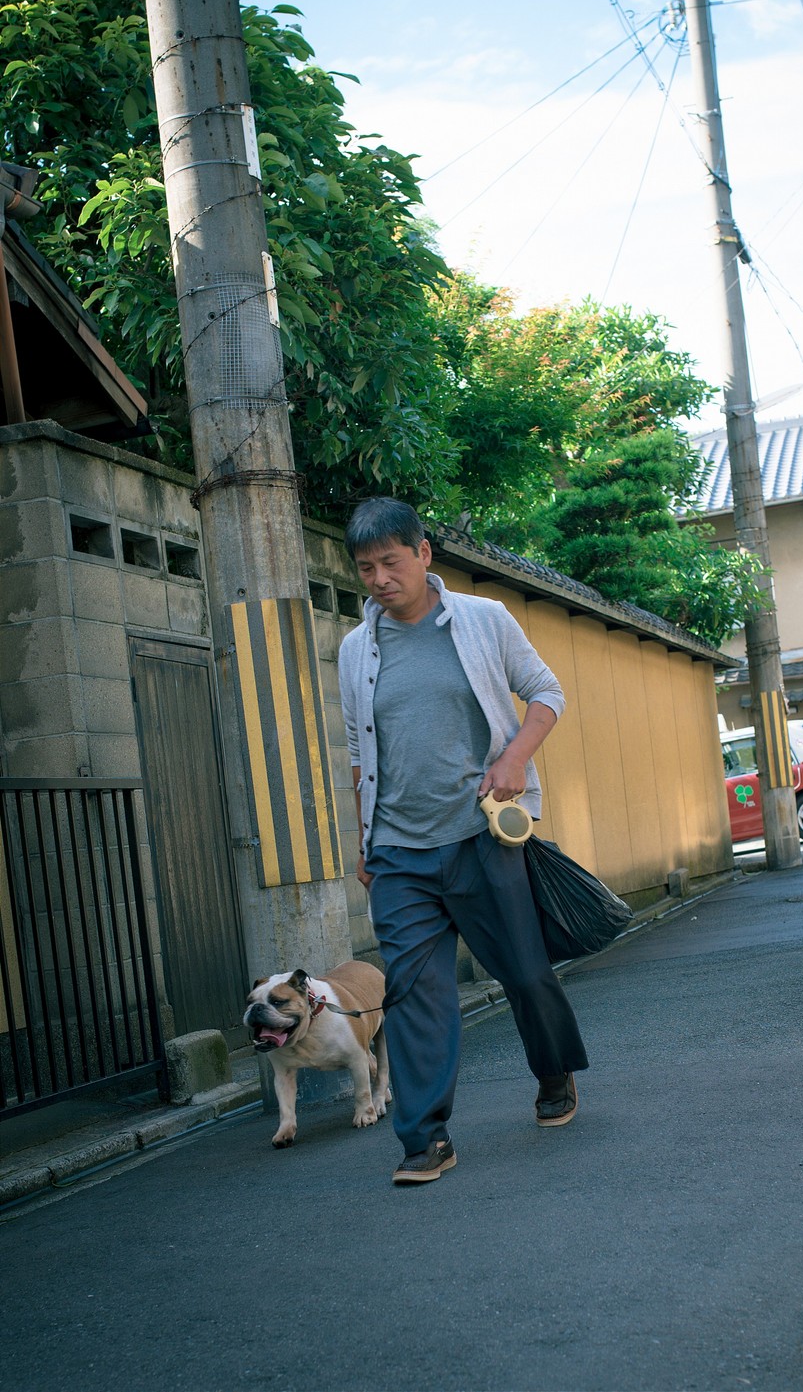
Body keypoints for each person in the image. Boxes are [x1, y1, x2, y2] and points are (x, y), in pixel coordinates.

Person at [339, 496, 588, 1186]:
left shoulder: (482, 620)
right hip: (397, 851)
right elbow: (360, 749)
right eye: (366, 567)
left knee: (525, 971)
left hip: (481, 834)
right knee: (416, 993)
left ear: (423, 553)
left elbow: (547, 694)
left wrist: (512, 760)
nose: (380, 577)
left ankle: (553, 1070)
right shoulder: (356, 649)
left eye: (390, 560)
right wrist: (363, 838)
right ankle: (425, 1136)